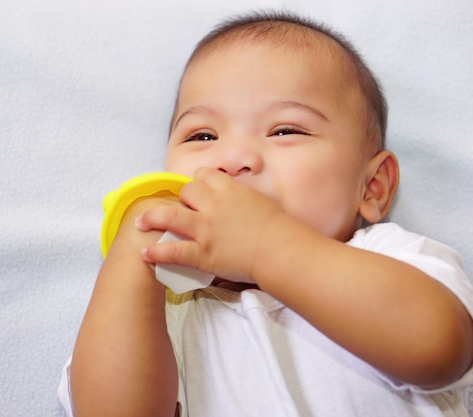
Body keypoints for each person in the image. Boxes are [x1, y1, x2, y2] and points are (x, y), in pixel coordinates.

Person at [59, 10, 473, 417]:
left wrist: (264, 245)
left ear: (372, 188)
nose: (233, 158)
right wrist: (133, 265)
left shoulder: (391, 257)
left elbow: (440, 348)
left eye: (285, 130)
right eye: (202, 135)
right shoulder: (164, 311)